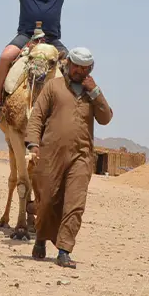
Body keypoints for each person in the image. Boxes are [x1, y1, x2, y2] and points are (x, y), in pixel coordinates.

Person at [24, 47, 114, 268]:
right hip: (50, 154)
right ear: (68, 65)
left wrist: (96, 93)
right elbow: (37, 116)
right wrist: (33, 144)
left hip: (81, 156)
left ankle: (64, 251)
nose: (78, 71)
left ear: (90, 69)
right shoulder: (53, 87)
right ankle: (41, 238)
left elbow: (106, 118)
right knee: (46, 201)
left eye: (84, 68)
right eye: (75, 66)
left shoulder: (91, 92)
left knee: (75, 204)